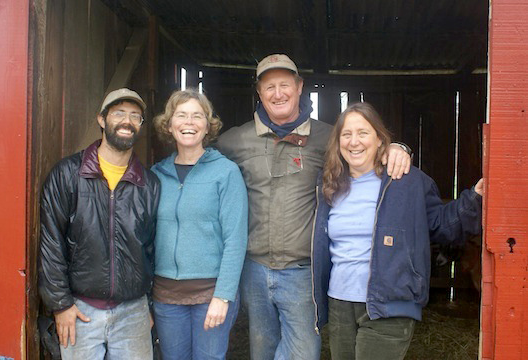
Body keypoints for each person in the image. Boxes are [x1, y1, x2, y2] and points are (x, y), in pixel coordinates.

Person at [216, 54, 412, 359]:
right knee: (262, 350)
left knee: (303, 353)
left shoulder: (328, 138)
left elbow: (365, 150)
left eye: (285, 85)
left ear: (299, 87)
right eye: (269, 87)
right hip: (253, 270)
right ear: (259, 93)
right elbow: (198, 159)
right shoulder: (235, 141)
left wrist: (399, 148)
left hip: (302, 272)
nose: (278, 93)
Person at [312, 102, 483, 360]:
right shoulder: (330, 185)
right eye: (346, 135)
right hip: (340, 304)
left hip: (389, 303)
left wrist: (474, 200)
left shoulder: (406, 181)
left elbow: (440, 225)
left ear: (380, 140)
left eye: (363, 133)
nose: (354, 141)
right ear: (338, 143)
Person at [38, 88, 160, 359]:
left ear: (140, 124)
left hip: (133, 312)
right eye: (118, 113)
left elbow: (152, 250)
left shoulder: (149, 184)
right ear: (102, 120)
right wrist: (60, 305)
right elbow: (51, 244)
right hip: (80, 311)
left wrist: (148, 306)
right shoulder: (67, 175)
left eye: (135, 116)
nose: (127, 121)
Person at [151, 89, 248, 360]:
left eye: (197, 116)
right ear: (169, 126)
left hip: (210, 295)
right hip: (166, 296)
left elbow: (235, 239)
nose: (189, 122)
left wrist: (223, 296)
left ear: (208, 126)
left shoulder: (226, 172)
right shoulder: (156, 175)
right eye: (181, 116)